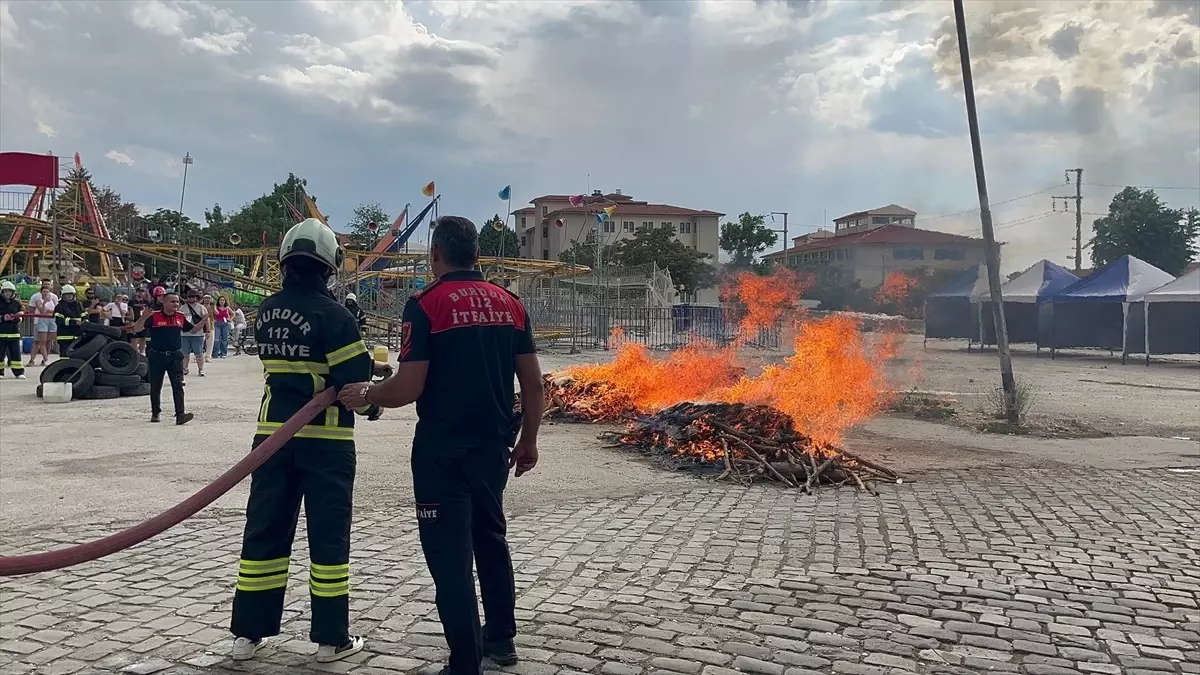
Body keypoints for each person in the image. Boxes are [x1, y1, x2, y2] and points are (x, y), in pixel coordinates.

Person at [338, 216, 543, 675]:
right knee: (491, 538)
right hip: (493, 445)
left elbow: (409, 386)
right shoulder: (510, 304)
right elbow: (532, 383)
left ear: (436, 255)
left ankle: (464, 661)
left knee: (449, 553)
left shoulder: (427, 304)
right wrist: (528, 440)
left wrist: (367, 394)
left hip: (442, 450)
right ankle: (501, 641)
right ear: (477, 254)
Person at [229, 218, 378, 664]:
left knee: (264, 532)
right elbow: (354, 381)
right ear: (330, 265)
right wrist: (373, 402)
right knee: (328, 537)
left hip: (271, 438)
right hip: (326, 442)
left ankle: (248, 634)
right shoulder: (335, 316)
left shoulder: (266, 311)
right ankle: (331, 639)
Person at [125, 292, 194, 425]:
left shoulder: (180, 317)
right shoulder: (154, 316)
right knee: (156, 386)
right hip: (157, 355)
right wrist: (143, 318)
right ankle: (155, 412)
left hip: (175, 356)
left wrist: (205, 322)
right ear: (164, 302)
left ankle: (180, 415)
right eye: (172, 301)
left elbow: (192, 330)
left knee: (178, 386)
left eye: (177, 302)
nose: (176, 304)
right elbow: (137, 329)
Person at [28, 278, 57, 366]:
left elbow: (57, 310)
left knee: (48, 341)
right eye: (45, 284)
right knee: (37, 341)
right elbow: (33, 309)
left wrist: (49, 311)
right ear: (42, 285)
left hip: (51, 321)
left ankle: (45, 359)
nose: (47, 286)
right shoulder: (36, 297)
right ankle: (32, 359)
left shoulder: (54, 297)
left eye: (48, 284)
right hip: (39, 321)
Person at [180, 290, 209, 377]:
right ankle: (185, 368)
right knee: (185, 353)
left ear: (196, 297)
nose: (191, 298)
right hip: (184, 334)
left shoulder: (201, 307)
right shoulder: (182, 308)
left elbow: (206, 320)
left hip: (198, 334)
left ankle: (201, 369)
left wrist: (208, 331)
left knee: (199, 353)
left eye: (193, 296)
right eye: (189, 296)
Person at [0, 280, 26, 379]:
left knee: (16, 355)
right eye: (6, 291)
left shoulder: (16, 303)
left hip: (14, 333)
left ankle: (19, 372)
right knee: (0, 355)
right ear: (2, 292)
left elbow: (23, 313)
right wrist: (3, 318)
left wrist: (19, 318)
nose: (8, 293)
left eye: (10, 291)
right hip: (1, 333)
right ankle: (0, 373)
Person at [54, 285, 86, 352]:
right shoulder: (59, 306)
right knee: (64, 355)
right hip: (64, 336)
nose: (69, 297)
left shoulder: (78, 305)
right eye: (67, 295)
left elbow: (85, 316)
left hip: (77, 335)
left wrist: (85, 322)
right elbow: (59, 320)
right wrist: (74, 322)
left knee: (76, 354)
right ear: (63, 296)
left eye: (71, 295)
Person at [129, 288, 152, 354]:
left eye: (142, 292)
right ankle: (135, 353)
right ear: (136, 293)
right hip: (135, 321)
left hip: (144, 321)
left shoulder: (146, 302)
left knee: (143, 337)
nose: (141, 293)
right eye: (139, 292)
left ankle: (141, 353)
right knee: (134, 338)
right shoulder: (131, 302)